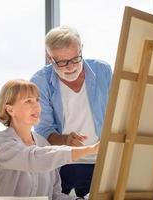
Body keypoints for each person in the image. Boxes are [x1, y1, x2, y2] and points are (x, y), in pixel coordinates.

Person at [30, 25, 112, 197]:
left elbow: (118, 114)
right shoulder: (40, 81)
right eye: (61, 62)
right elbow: (44, 130)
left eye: (75, 59)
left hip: (101, 162)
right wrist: (65, 139)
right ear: (49, 57)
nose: (70, 67)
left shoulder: (103, 71)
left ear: (81, 48)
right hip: (63, 164)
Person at [0, 79, 99, 200]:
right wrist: (90, 149)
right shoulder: (2, 146)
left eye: (37, 100)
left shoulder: (42, 143)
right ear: (10, 110)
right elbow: (36, 159)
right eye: (28, 101)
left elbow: (54, 195)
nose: (36, 106)